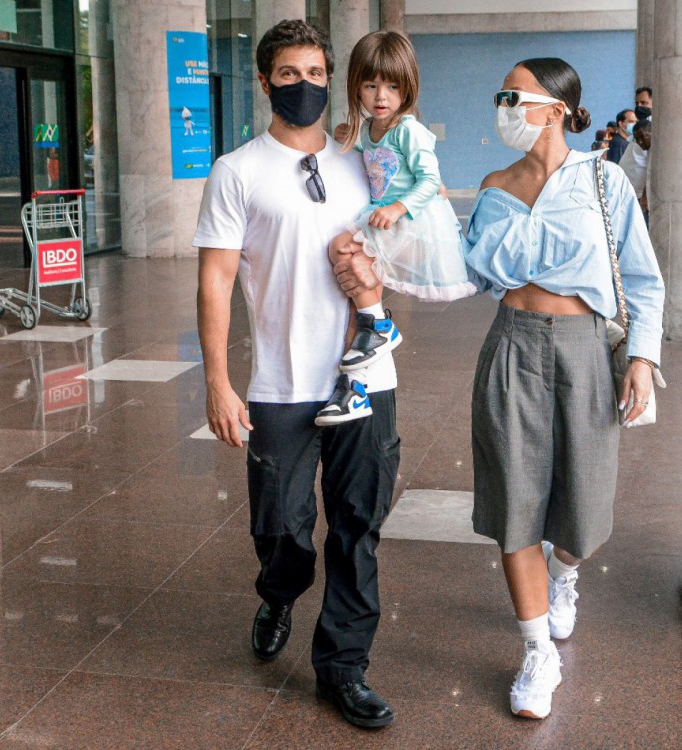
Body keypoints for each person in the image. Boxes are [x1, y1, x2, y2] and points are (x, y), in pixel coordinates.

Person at [194, 19, 399, 730]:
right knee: (282, 528)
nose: (304, 85)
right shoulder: (236, 171)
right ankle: (280, 590)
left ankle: (343, 667)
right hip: (281, 384)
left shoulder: (361, 164)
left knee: (357, 526)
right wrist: (217, 382)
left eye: (316, 72)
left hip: (365, 376)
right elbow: (216, 282)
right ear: (264, 81)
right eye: (289, 74)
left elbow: (397, 249)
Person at [463, 58, 665, 719]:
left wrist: (640, 358)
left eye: (513, 97)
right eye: (502, 96)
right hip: (511, 344)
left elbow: (643, 279)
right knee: (515, 503)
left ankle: (567, 574)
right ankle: (535, 651)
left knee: (583, 510)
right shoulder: (494, 187)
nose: (504, 108)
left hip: (582, 350)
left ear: (554, 109)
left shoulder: (603, 183)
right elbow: (461, 272)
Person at [314, 30, 475, 427]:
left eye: (392, 86)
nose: (380, 96)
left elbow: (430, 180)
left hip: (411, 221)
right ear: (357, 88)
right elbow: (361, 155)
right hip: (384, 216)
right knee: (351, 274)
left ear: (408, 88)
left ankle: (380, 326)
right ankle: (358, 379)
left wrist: (399, 208)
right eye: (370, 86)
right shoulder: (370, 130)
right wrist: (345, 139)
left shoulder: (409, 130)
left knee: (343, 251)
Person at [619, 118, 652, 224]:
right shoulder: (640, 146)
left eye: (643, 138)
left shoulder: (655, 150)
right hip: (629, 194)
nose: (640, 142)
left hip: (641, 198)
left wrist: (645, 196)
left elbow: (650, 173)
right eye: (637, 139)